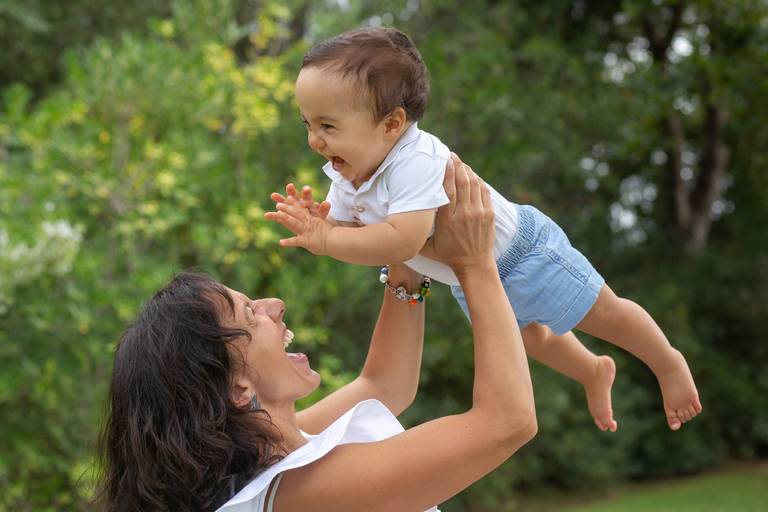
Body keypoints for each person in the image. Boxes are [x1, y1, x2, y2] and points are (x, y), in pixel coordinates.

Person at [267, 27, 702, 432]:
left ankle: (667, 362)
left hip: (523, 255)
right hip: (469, 275)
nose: (315, 141)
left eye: (328, 126)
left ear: (392, 125)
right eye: (308, 124)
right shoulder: (348, 171)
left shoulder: (415, 160)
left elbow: (403, 241)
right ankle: (593, 369)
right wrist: (325, 224)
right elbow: (355, 231)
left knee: (605, 313)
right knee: (533, 339)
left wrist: (328, 240)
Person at [94, 155, 538, 511]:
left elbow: (385, 386)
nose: (275, 305)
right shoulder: (297, 496)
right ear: (238, 386)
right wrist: (475, 263)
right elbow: (505, 423)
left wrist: (404, 255)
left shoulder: (274, 450)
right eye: (251, 314)